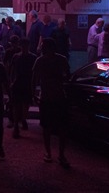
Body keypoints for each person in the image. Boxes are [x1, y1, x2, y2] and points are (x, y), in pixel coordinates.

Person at [32, 38, 71, 169]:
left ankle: (51, 153)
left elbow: (34, 79)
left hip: (49, 97)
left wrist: (34, 93)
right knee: (59, 127)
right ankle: (59, 154)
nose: (42, 48)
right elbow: (68, 76)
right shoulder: (61, 59)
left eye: (43, 46)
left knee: (49, 127)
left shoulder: (41, 60)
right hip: (57, 97)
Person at [10, 38, 37, 139]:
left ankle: (22, 119)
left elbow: (34, 73)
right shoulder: (17, 57)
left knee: (25, 104)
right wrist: (11, 81)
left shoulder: (32, 57)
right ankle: (17, 124)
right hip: (19, 82)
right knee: (18, 104)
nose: (24, 47)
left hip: (25, 82)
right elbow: (12, 70)